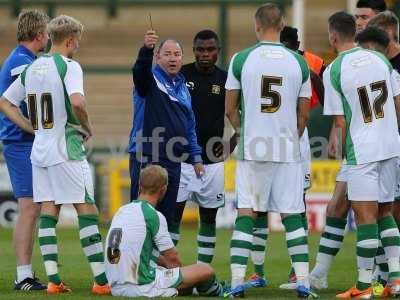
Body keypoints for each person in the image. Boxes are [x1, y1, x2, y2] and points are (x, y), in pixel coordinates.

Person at [0, 15, 110, 295]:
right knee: (86, 207)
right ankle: (100, 281)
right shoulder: (69, 66)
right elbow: (77, 101)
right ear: (71, 40)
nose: (78, 47)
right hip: (66, 147)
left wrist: (32, 127)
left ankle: (53, 280)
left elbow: (5, 102)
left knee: (49, 211)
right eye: (78, 42)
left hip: (40, 151)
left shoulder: (32, 67)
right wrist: (87, 127)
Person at [225, 3, 316, 298]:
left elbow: (229, 110)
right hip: (288, 148)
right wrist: (290, 137)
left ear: (256, 25)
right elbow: (304, 116)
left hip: (253, 147)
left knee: (246, 213)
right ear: (282, 25)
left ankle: (238, 282)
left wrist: (245, 132)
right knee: (292, 215)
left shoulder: (241, 59)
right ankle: (303, 283)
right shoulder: (298, 63)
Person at [309, 0, 386, 290]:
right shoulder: (369, 59)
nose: (362, 21)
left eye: (365, 16)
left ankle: (375, 279)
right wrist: (335, 135)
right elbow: (345, 106)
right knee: (336, 208)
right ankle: (320, 272)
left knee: (378, 214)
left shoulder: (383, 56)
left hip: (376, 149)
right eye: (358, 18)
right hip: (364, 147)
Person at [323, 11, 400, 299]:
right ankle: (396, 280)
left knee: (365, 216)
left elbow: (340, 122)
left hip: (363, 151)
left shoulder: (334, 69)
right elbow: (397, 104)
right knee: (384, 213)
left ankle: (364, 287)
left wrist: (341, 153)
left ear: (333, 37)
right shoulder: (381, 60)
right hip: (391, 147)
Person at [105, 165, 226, 298]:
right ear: (163, 190)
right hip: (141, 287)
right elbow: (173, 259)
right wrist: (186, 276)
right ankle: (222, 292)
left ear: (140, 185)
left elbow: (138, 253)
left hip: (116, 287)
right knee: (205, 270)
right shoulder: (153, 215)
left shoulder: (121, 211)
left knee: (164, 267)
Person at [128, 30, 205, 230]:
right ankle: (137, 259)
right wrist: (146, 49)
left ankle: (158, 261)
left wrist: (196, 157)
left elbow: (190, 125)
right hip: (148, 154)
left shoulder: (182, 87)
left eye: (177, 54)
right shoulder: (149, 80)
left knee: (165, 218)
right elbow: (139, 71)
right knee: (142, 215)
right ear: (158, 57)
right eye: (168, 54)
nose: (173, 58)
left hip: (173, 158)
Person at [172, 30, 234, 264]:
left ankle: (203, 273)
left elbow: (239, 117)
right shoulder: (180, 75)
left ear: (218, 51)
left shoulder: (226, 80)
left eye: (210, 49)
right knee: (172, 217)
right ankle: (168, 271)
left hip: (212, 162)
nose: (205, 54)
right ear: (194, 50)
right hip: (180, 160)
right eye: (200, 49)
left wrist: (230, 146)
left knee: (209, 219)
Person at [0, 10, 49, 291]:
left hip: (23, 142)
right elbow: (9, 102)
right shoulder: (21, 61)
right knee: (29, 208)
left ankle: (26, 272)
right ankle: (23, 275)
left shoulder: (25, 59)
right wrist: (33, 128)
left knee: (32, 208)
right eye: (46, 33)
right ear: (39, 34)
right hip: (19, 143)